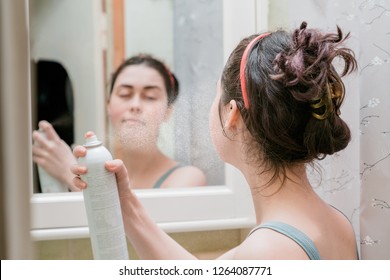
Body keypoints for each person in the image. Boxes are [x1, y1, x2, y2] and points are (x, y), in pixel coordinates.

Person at [71, 22, 358, 259]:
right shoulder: (334, 223)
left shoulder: (267, 250)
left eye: (216, 95)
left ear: (231, 114)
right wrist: (126, 206)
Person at [32, 54, 207, 191]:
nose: (135, 105)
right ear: (109, 106)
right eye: (124, 94)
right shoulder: (94, 175)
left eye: (150, 97)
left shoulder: (187, 179)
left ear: (167, 112)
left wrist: (67, 174)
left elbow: (128, 233)